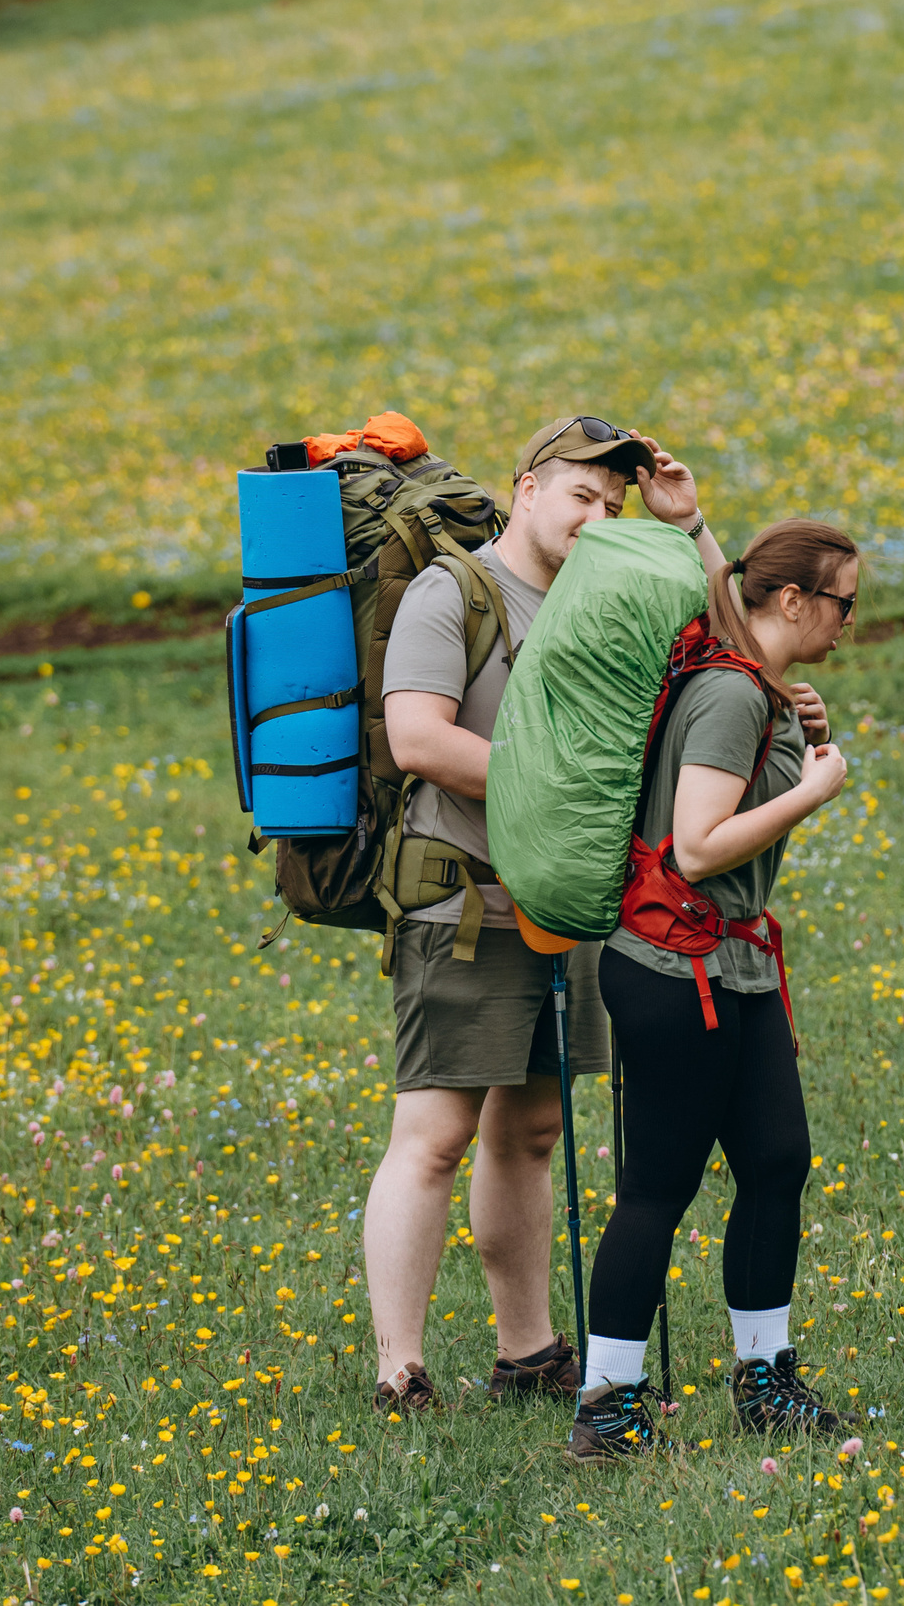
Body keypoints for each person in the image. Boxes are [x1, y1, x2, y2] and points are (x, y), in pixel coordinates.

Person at [365, 414, 727, 1412]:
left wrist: (687, 523)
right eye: (580, 496)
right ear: (524, 486)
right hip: (464, 902)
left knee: (528, 1131)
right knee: (434, 1132)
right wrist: (563, 794)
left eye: (612, 506)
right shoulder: (455, 593)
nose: (596, 517)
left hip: (561, 900)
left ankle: (527, 1352)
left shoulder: (601, 591)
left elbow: (730, 634)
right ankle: (399, 1368)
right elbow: (417, 741)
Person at [565, 519, 859, 1462]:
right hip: (670, 968)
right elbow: (696, 846)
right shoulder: (732, 694)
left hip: (735, 963)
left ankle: (764, 1377)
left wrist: (696, 525)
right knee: (658, 1185)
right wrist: (812, 791)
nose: (851, 621)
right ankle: (608, 1404)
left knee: (777, 1159)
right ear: (793, 601)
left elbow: (730, 584)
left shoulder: (755, 681)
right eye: (843, 602)